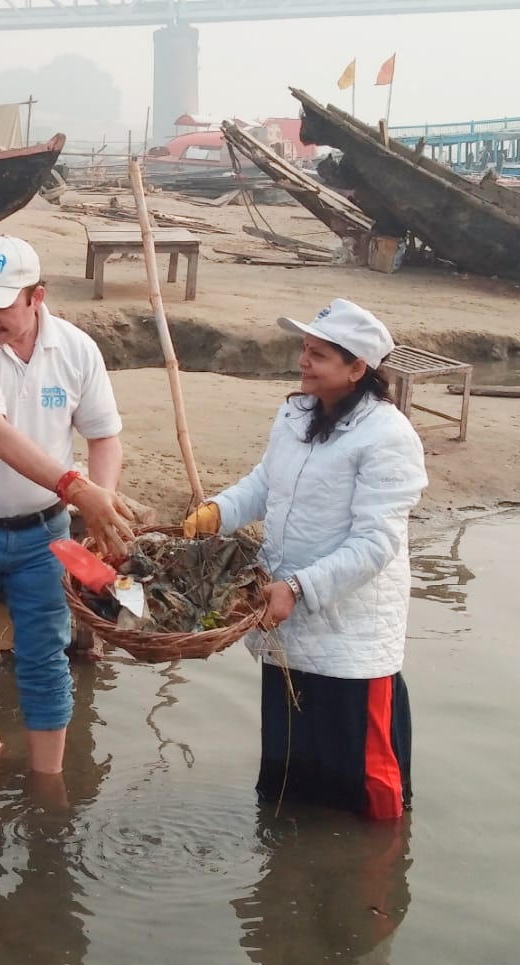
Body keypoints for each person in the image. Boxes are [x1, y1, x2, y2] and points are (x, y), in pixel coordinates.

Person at [183, 298, 427, 820]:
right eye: (304, 349)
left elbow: (375, 543)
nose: (303, 361)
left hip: (350, 639)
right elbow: (265, 483)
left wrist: (298, 588)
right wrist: (213, 514)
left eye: (318, 354)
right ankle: (287, 872)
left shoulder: (388, 437)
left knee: (368, 797)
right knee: (291, 777)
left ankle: (371, 887)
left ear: (357, 368)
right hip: (285, 626)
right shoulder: (295, 414)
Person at [0, 234, 136, 777]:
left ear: (36, 297)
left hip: (46, 534)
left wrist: (102, 497)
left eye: (0, 304)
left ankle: (48, 788)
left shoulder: (76, 349)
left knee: (46, 660)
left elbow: (103, 436)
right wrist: (78, 488)